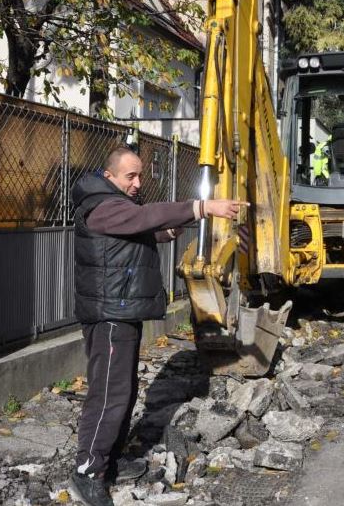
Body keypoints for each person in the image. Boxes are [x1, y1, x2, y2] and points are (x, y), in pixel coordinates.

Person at [69, 146, 246, 506]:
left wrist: (166, 234)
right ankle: (87, 471)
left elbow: (133, 232)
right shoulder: (100, 205)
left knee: (124, 391)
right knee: (108, 395)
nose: (137, 183)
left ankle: (108, 463)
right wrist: (202, 207)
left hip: (121, 312)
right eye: (129, 176)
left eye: (139, 176)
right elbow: (141, 217)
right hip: (109, 316)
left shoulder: (114, 205)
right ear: (109, 176)